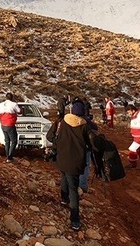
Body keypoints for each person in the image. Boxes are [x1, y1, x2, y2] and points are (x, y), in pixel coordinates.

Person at [51, 99, 97, 231]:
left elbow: (53, 137)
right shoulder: (84, 126)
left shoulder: (62, 122)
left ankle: (63, 199)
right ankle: (75, 220)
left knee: (64, 177)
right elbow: (92, 143)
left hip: (62, 158)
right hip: (75, 162)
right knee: (73, 189)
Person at [71, 100, 98, 193]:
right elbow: (95, 128)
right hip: (84, 147)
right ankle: (82, 185)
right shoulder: (85, 121)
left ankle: (73, 184)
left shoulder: (68, 121)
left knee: (73, 166)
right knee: (85, 166)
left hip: (72, 147)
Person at [0, 92, 21, 163]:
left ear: (6, 97)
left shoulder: (1, 105)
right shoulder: (14, 104)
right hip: (10, 124)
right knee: (14, 141)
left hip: (3, 124)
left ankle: (8, 156)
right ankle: (10, 157)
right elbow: (19, 111)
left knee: (7, 141)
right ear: (12, 98)